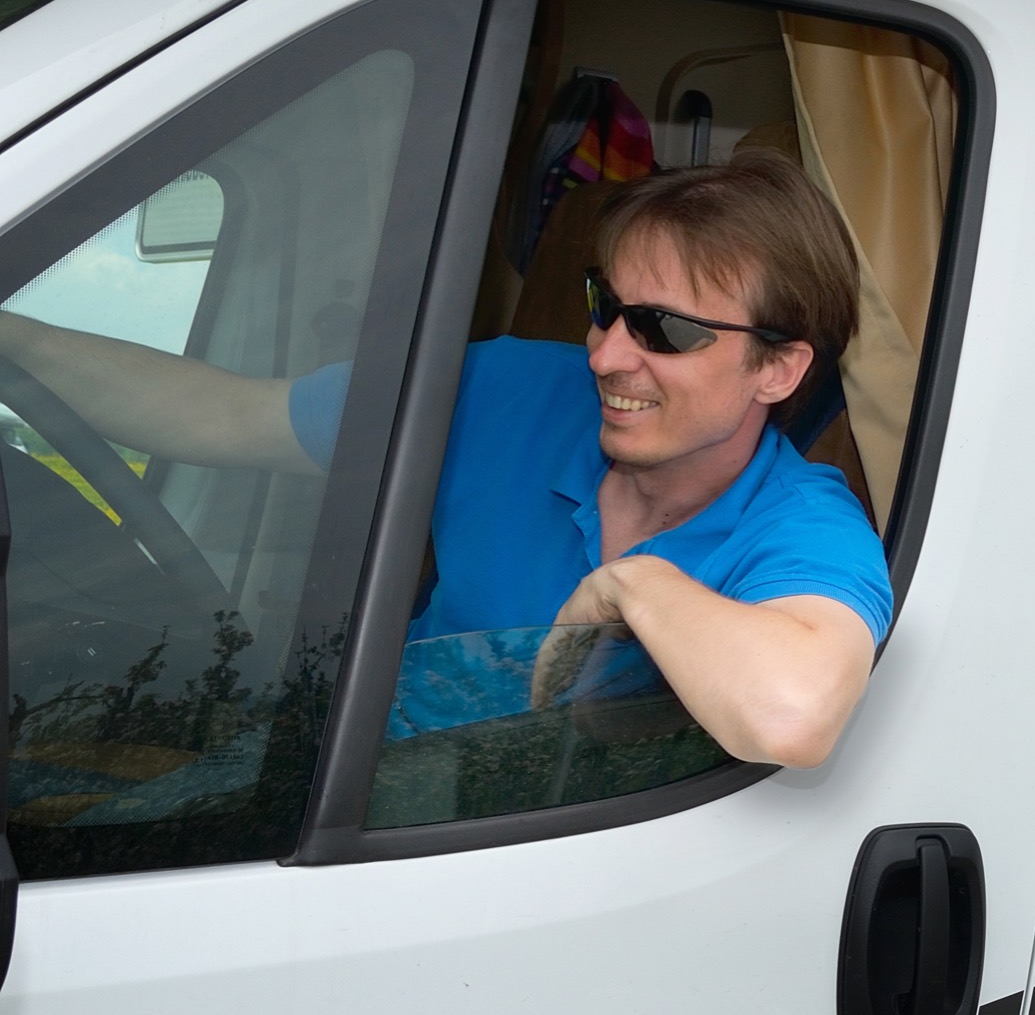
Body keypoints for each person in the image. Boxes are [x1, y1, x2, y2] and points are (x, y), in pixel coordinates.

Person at [0, 153, 889, 767]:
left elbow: (794, 714)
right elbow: (228, 416)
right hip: (349, 785)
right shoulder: (504, 387)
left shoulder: (801, 523)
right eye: (605, 307)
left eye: (665, 330)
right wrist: (16, 339)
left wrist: (637, 586)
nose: (607, 355)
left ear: (777, 367)